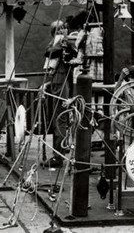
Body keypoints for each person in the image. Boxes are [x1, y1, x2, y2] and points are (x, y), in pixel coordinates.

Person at [44, 19, 76, 168]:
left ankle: (59, 155)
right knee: (58, 119)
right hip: (57, 83)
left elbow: (57, 53)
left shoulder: (67, 42)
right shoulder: (57, 43)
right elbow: (48, 52)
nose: (61, 32)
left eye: (63, 29)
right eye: (58, 30)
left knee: (60, 119)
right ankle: (59, 152)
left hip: (62, 83)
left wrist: (64, 41)